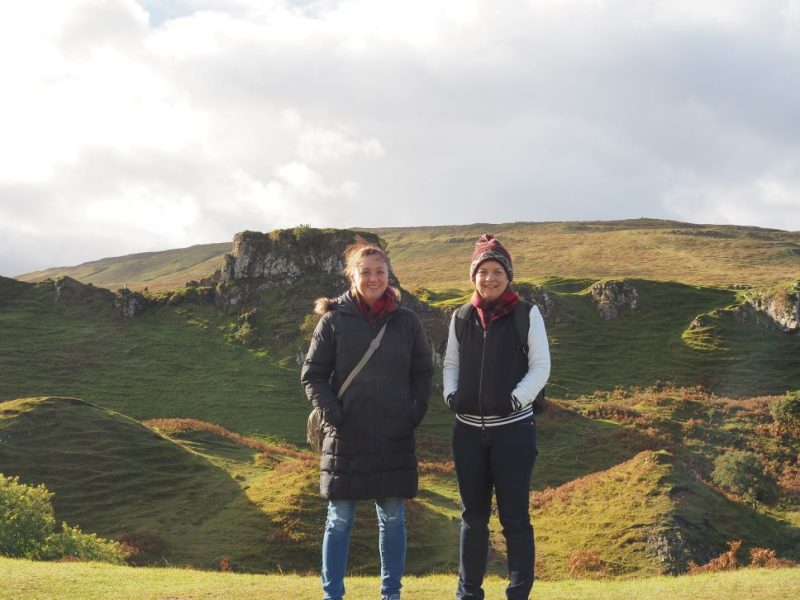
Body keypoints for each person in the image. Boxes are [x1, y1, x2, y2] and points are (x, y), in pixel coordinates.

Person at [301, 242, 434, 600]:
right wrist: (334, 414)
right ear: (352, 275)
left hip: (394, 436)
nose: (374, 278)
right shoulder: (333, 320)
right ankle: (333, 596)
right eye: (366, 271)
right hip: (346, 436)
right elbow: (312, 375)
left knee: (393, 519)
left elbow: (423, 372)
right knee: (339, 519)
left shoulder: (407, 321)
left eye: (380, 272)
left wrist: (413, 413)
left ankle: (391, 595)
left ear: (389, 275)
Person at [442, 234, 551, 600]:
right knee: (472, 518)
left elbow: (540, 368)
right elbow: (451, 364)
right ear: (473, 276)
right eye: (483, 271)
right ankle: (467, 593)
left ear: (508, 276)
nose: (490, 278)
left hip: (514, 434)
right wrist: (451, 396)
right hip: (468, 434)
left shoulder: (526, 313)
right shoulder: (460, 316)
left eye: (497, 271)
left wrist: (514, 401)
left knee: (515, 518)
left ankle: (518, 593)